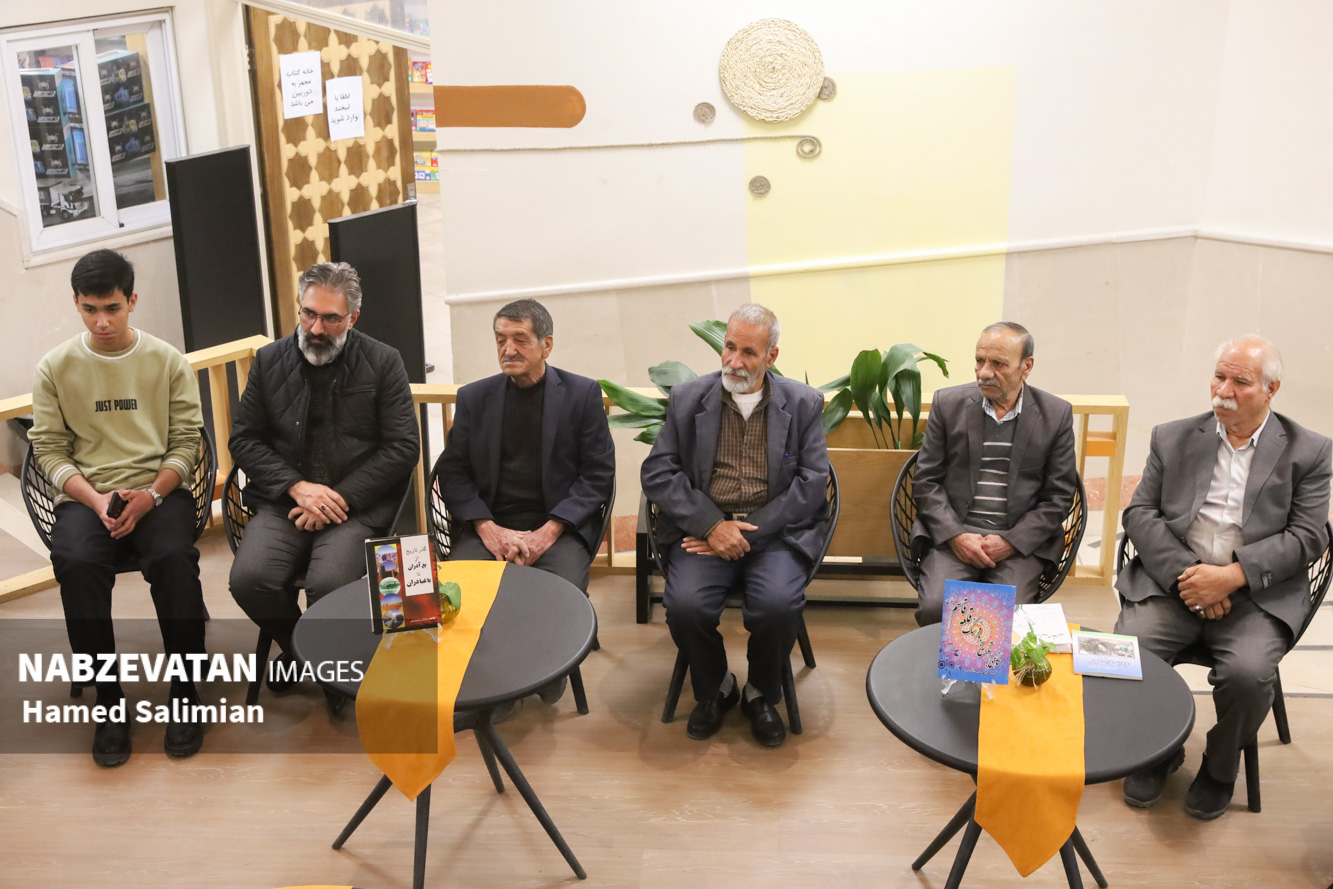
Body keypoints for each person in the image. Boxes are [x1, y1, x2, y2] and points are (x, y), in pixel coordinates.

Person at [1115, 335, 1330, 820]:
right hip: (1174, 586)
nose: (1223, 391)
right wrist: (1190, 579)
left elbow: (1308, 537)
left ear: (1271, 389)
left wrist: (1233, 576)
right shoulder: (1172, 437)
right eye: (1219, 376)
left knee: (1249, 676)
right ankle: (1158, 748)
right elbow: (1140, 514)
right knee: (1130, 653)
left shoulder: (1310, 451)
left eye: (1240, 381)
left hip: (1256, 597)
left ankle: (1219, 765)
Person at [30, 248, 207, 765]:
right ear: (76, 304)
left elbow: (187, 443)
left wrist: (151, 495)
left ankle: (185, 691)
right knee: (76, 562)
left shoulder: (167, 361)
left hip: (157, 490)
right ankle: (108, 700)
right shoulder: (55, 367)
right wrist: (94, 498)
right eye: (90, 309)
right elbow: (49, 450)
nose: (101, 322)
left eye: (112, 308)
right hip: (88, 495)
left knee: (173, 558)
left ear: (132, 301)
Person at [229, 262, 419, 706]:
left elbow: (403, 447)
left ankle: (328, 663)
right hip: (285, 502)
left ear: (353, 317)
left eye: (331, 318)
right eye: (308, 314)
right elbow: (244, 439)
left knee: (329, 584)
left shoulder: (383, 361)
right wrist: (297, 488)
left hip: (355, 506)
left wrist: (339, 498)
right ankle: (308, 652)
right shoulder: (269, 360)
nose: (316, 328)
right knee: (249, 580)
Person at [641, 304, 829, 747]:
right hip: (703, 533)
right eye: (729, 347)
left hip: (774, 535)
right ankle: (715, 687)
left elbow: (812, 484)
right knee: (685, 607)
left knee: (777, 606)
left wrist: (746, 533)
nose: (734, 361)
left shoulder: (803, 403)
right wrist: (712, 527)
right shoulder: (688, 399)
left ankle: (760, 692)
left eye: (748, 352)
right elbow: (657, 473)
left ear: (771, 356)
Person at [434, 299, 615, 701]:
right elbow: (453, 471)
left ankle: (543, 675)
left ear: (546, 345)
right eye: (500, 339)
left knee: (555, 595)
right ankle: (485, 683)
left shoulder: (581, 394)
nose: (508, 349)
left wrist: (548, 532)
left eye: (520, 339)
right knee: (458, 593)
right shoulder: (474, 397)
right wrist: (486, 527)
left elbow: (598, 474)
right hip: (488, 524)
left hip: (558, 527)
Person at [910, 322, 1078, 626]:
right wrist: (956, 536)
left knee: (1006, 619)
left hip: (1018, 542)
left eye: (998, 364)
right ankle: (947, 662)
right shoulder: (948, 404)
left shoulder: (1055, 415)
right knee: (937, 609)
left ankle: (981, 662)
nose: (984, 372)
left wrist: (1011, 542)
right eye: (979, 361)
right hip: (955, 534)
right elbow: (926, 481)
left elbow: (1059, 497)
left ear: (1026, 367)